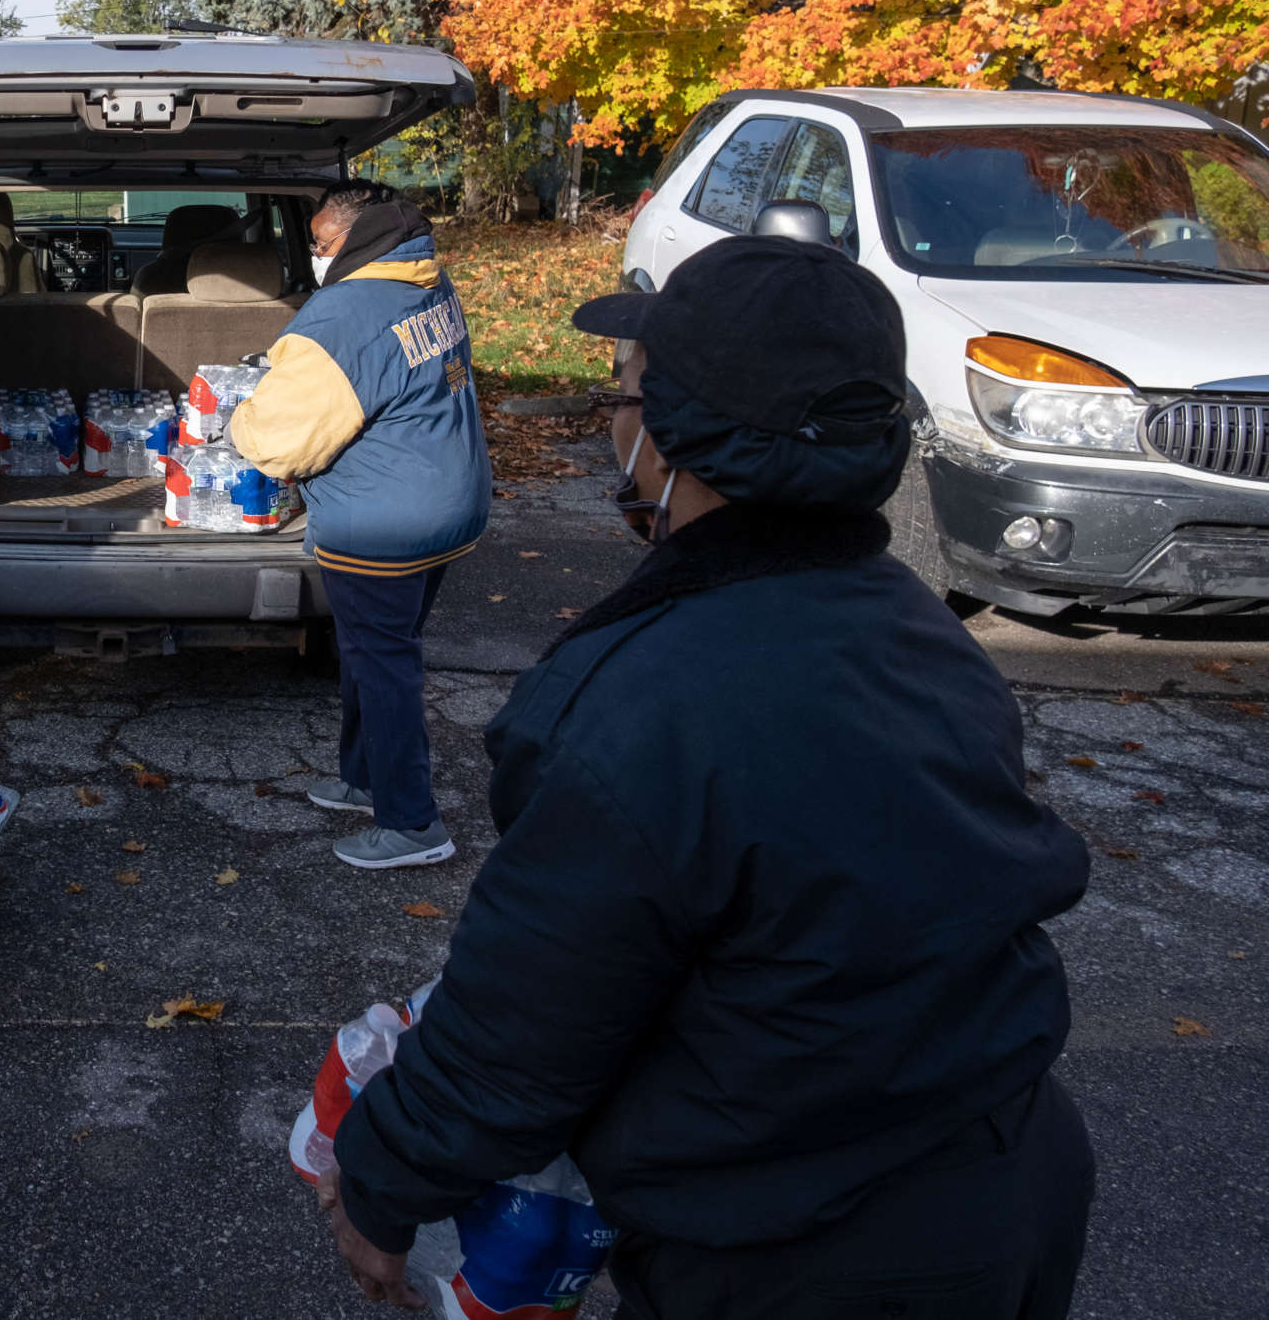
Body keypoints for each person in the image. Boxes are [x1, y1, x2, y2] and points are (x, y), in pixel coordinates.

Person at [316, 236, 1092, 1315]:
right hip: (1008, 1176)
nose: (614, 425)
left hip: (813, 1248)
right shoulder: (915, 629)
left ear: (687, 442)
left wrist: (383, 1178)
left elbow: (530, 1017)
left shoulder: (646, 704)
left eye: (628, 396)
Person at [229, 180, 491, 870]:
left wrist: (234, 415)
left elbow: (278, 442)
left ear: (353, 235)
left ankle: (412, 824)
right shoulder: (425, 279)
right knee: (371, 651)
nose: (314, 255)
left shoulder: (343, 316)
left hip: (384, 522)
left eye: (318, 243)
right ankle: (361, 776)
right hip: (445, 501)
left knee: (384, 665)